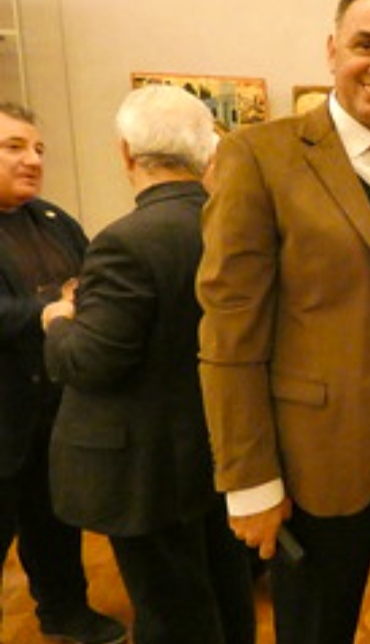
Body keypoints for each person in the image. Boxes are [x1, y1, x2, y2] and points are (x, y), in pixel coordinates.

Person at [196, 0, 370, 644]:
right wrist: (249, 480)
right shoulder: (261, 157)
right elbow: (230, 330)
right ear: (331, 50)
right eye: (365, 45)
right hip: (318, 466)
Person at [41, 85, 254, 644]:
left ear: (126, 152)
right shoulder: (231, 228)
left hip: (143, 466)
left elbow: (90, 360)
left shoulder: (126, 242)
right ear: (207, 153)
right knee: (223, 593)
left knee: (170, 611)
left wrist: (57, 322)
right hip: (213, 448)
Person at [0, 102, 127, 644]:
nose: (32, 160)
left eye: (38, 149)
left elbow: (93, 280)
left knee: (55, 523)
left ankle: (64, 612)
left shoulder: (53, 220)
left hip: (56, 413)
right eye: (14, 147)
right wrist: (45, 310)